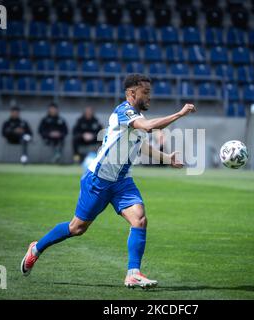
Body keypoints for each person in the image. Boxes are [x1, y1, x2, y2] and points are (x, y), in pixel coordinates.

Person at [20, 74, 196, 288]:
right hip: (98, 180)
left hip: (122, 182)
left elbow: (141, 145)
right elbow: (148, 128)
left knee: (139, 219)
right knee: (77, 228)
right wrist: (179, 113)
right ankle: (36, 248)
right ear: (132, 93)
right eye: (146, 92)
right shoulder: (124, 112)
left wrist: (167, 159)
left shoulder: (137, 117)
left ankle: (133, 273)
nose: (150, 97)